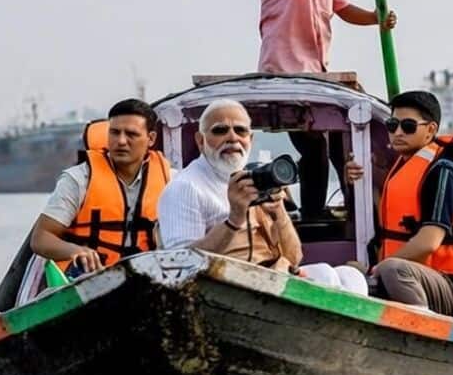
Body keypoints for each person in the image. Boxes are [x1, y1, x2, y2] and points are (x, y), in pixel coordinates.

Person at [258, 0, 399, 219]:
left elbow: (343, 8)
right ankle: (312, 217)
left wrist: (377, 19)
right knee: (314, 147)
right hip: (285, 74)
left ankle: (360, 213)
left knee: (341, 147)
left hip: (316, 75)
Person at [155, 99, 367, 294]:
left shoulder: (252, 181)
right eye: (220, 130)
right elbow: (179, 265)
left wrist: (279, 213)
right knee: (327, 276)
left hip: (270, 278)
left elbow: (294, 258)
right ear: (201, 141)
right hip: (223, 288)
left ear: (251, 139)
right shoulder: (186, 187)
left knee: (351, 276)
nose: (232, 138)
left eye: (240, 131)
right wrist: (234, 219)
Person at [353, 90, 453, 316]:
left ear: (431, 130)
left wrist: (378, 269)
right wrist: (354, 177)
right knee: (352, 270)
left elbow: (428, 242)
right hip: (417, 276)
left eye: (408, 126)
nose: (397, 132)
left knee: (392, 269)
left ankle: (420, 330)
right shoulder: (404, 165)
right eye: (392, 125)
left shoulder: (445, 170)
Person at [30, 99, 172, 276]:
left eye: (131, 134)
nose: (121, 141)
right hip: (85, 279)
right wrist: (75, 251)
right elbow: (41, 238)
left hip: (148, 279)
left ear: (150, 139)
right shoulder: (78, 179)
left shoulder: (173, 181)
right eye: (114, 133)